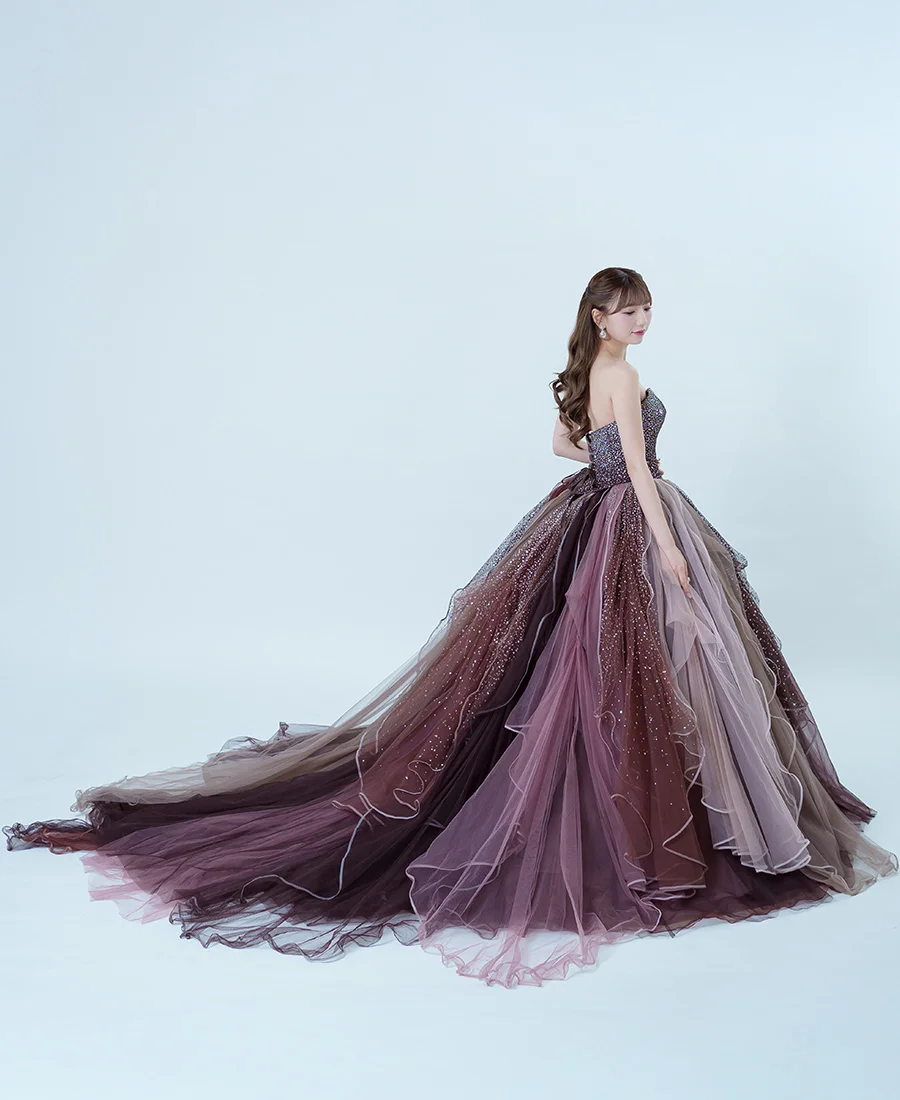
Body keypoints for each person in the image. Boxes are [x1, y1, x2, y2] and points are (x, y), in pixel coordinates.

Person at [6, 266, 896, 988]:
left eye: (647, 308)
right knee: (641, 665)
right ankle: (664, 824)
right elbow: (631, 465)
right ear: (600, 315)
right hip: (633, 517)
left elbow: (565, 445)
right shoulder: (623, 376)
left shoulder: (588, 373)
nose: (643, 320)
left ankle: (645, 802)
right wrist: (667, 546)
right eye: (629, 309)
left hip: (590, 511)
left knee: (583, 666)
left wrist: (613, 473)